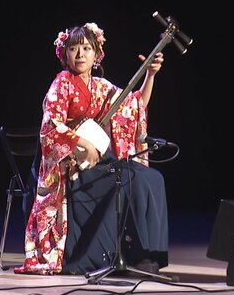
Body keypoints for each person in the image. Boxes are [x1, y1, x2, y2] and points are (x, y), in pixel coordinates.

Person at [14, 22, 169, 276]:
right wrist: (83, 144)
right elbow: (50, 128)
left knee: (151, 178)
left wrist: (150, 75)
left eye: (86, 48)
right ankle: (114, 254)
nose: (80, 54)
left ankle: (145, 254)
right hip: (69, 167)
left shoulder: (100, 86)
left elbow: (134, 106)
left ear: (97, 54)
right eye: (74, 48)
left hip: (96, 161)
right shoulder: (62, 84)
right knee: (127, 178)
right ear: (65, 55)